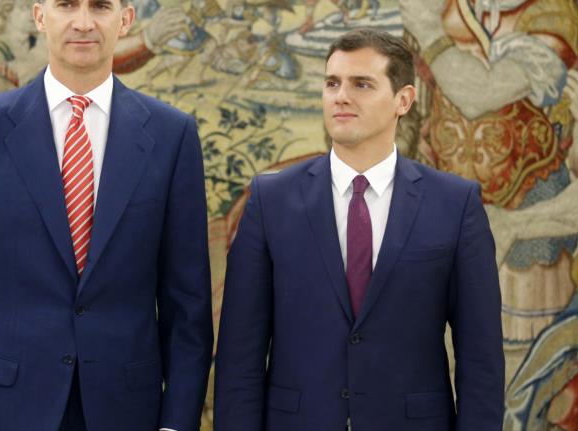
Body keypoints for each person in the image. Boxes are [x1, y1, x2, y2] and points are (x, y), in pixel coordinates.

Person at [0, 0, 213, 431]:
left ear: (125, 18)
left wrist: (176, 424)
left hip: (126, 412)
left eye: (100, 5)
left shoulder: (172, 136)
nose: (84, 21)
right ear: (40, 15)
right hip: (5, 412)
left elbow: (188, 308)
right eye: (67, 4)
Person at [214, 28, 504, 430]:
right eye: (332, 83)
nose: (341, 96)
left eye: (361, 84)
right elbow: (239, 355)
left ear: (403, 100)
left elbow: (481, 359)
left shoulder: (456, 205)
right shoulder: (271, 200)